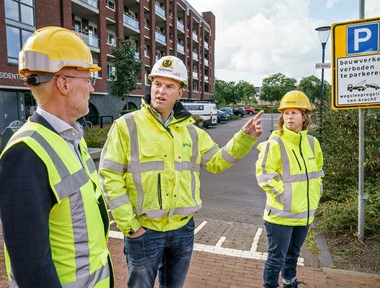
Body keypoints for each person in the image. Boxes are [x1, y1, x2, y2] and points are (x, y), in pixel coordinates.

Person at [99, 55, 264, 288]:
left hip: (183, 229)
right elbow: (109, 176)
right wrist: (130, 226)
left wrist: (244, 138)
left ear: (180, 92)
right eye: (157, 84)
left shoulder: (191, 132)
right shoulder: (127, 126)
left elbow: (217, 162)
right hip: (144, 231)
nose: (160, 91)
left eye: (169, 86)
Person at [0, 26, 113, 288]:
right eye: (88, 79)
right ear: (64, 83)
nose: (92, 88)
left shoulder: (70, 138)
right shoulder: (24, 155)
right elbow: (31, 269)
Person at [255, 90, 324, 288]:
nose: (289, 116)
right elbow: (264, 176)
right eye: (286, 112)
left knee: (293, 256)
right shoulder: (274, 143)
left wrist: (317, 193)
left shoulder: (313, 143)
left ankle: (289, 283)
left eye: (295, 112)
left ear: (305, 116)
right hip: (280, 216)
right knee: (277, 258)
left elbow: (317, 172)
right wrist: (286, 198)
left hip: (305, 214)